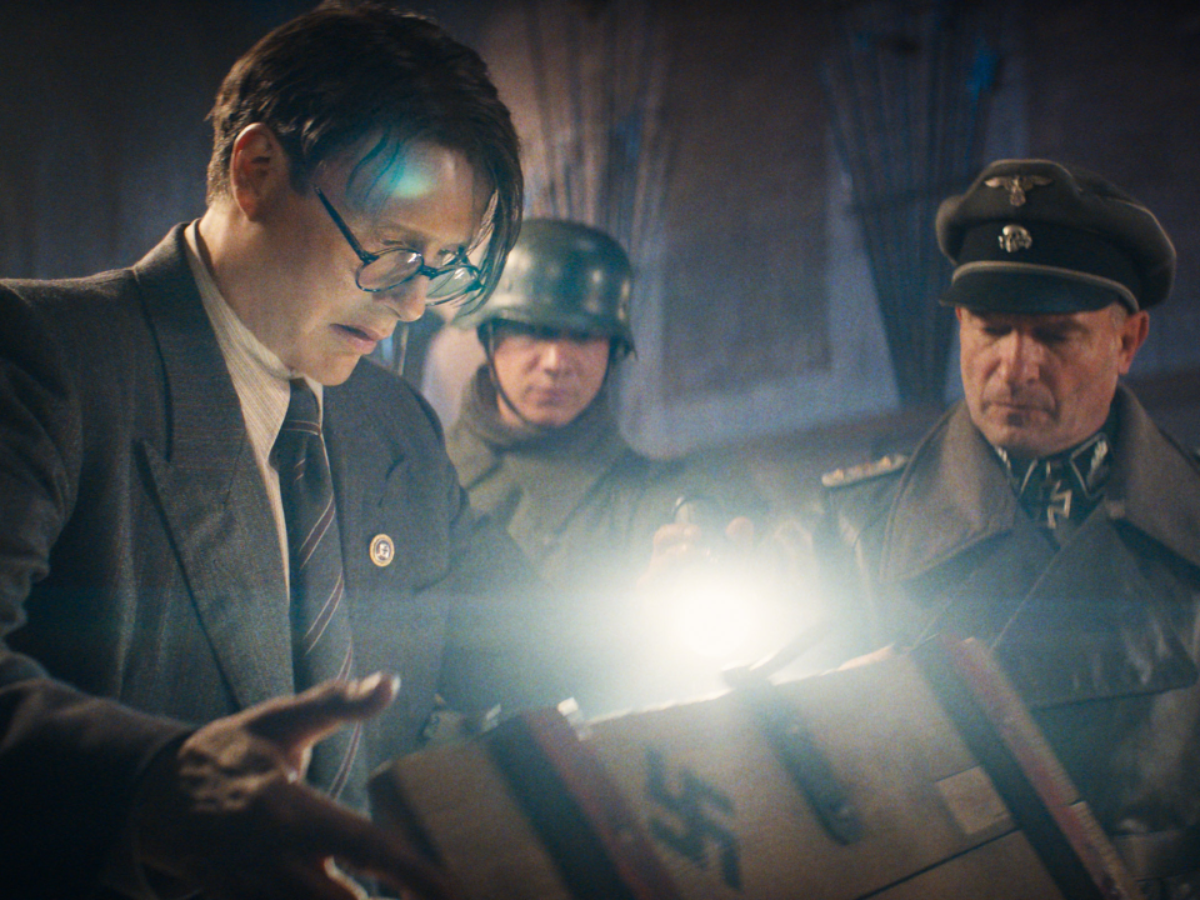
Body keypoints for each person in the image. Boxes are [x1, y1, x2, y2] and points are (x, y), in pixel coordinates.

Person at [0, 4, 544, 898]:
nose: (413, 304)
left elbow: (525, 639)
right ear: (256, 170)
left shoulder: (396, 426)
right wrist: (153, 784)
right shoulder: (47, 358)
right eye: (391, 249)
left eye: (440, 265)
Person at [815, 158, 1198, 895]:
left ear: (1127, 341)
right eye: (991, 329)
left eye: (1055, 336)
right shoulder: (860, 535)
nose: (1014, 366)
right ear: (961, 323)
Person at [445, 219, 758, 711]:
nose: (556, 361)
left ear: (613, 350)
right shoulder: (424, 483)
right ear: (489, 337)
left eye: (584, 335)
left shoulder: (661, 498)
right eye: (533, 331)